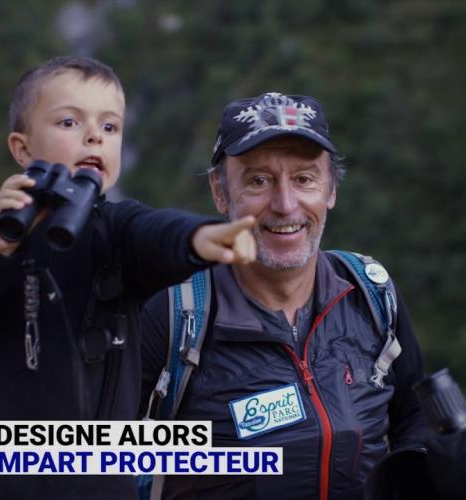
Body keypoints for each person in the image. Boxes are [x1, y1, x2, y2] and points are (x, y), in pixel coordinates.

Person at [0, 56, 256, 500]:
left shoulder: (117, 230)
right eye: (68, 121)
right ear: (22, 149)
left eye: (110, 127)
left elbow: (157, 232)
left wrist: (200, 238)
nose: (93, 137)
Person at [140, 92, 430, 499]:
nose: (285, 204)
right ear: (220, 192)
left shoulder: (372, 293)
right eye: (259, 181)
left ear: (330, 190)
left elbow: (413, 418)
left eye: (304, 179)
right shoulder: (172, 314)